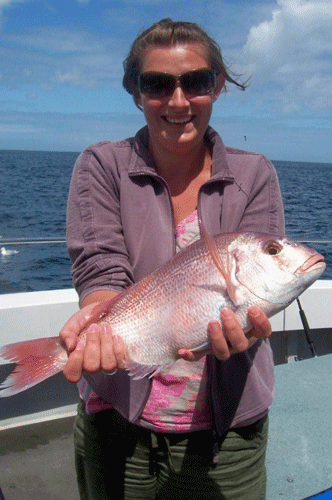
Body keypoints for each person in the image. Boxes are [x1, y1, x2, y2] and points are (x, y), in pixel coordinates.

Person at [60, 18, 285, 500]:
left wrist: (245, 329)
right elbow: (101, 269)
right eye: (158, 84)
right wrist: (100, 326)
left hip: (229, 437)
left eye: (196, 81)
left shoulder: (255, 173)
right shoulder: (102, 166)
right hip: (118, 423)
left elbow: (261, 292)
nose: (178, 101)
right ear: (136, 93)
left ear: (218, 86)